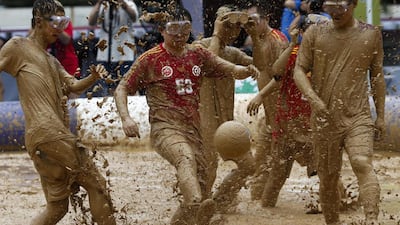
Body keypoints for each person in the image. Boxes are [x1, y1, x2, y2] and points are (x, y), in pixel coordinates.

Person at [114, 7, 259, 225]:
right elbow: (122, 88)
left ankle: (188, 213)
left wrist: (245, 71)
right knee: (185, 159)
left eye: (185, 28)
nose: (180, 33)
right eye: (174, 28)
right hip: (166, 128)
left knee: (202, 184)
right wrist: (126, 118)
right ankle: (195, 203)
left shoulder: (197, 54)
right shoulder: (150, 58)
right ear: (162, 30)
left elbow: (227, 67)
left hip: (195, 131)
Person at [0, 1, 116, 224]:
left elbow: (73, 86)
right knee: (97, 184)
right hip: (48, 133)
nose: (60, 28)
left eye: (64, 22)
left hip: (41, 139)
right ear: (39, 22)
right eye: (55, 22)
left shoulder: (52, 61)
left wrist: (92, 78)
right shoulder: (17, 46)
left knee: (57, 207)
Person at [293, 0, 385, 224]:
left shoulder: (371, 34)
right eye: (329, 7)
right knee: (328, 178)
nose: (334, 13)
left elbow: (377, 77)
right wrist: (313, 99)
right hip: (324, 119)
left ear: (353, 4)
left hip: (358, 116)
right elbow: (299, 69)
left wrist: (381, 116)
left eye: (339, 7)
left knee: (361, 162)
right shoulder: (315, 33)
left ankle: (371, 219)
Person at [247, 14, 343, 212]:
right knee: (277, 173)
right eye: (314, 30)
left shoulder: (333, 57)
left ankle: (340, 206)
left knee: (326, 173)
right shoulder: (294, 53)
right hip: (288, 125)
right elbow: (277, 74)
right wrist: (260, 96)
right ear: (303, 33)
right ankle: (263, 212)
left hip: (316, 126)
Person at [193, 4, 255, 213]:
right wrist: (217, 35)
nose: (235, 32)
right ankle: (198, 206)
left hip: (227, 123)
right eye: (231, 26)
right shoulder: (199, 46)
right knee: (208, 170)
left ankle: (220, 200)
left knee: (248, 165)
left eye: (239, 28)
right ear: (220, 25)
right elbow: (208, 65)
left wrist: (257, 36)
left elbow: (263, 66)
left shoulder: (234, 53)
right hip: (204, 122)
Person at [241, 1, 289, 201]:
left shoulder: (277, 41)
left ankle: (340, 198)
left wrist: (261, 95)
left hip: (287, 118)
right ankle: (260, 211)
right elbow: (260, 66)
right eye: (247, 23)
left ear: (266, 19)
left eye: (253, 21)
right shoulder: (258, 39)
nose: (249, 26)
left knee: (312, 162)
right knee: (260, 165)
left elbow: (283, 77)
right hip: (271, 118)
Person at [88, 0, 139, 96]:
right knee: (106, 88)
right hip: (105, 54)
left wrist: (123, 4)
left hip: (125, 55)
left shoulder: (129, 3)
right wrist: (99, 3)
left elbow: (134, 17)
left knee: (127, 88)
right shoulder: (103, 5)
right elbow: (91, 21)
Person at [50, 0, 80, 77]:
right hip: (50, 64)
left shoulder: (65, 22)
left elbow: (66, 40)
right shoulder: (43, 23)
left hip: (68, 65)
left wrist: (58, 28)